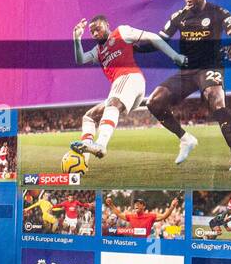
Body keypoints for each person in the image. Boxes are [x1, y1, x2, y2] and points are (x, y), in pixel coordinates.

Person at [145, 0, 231, 171]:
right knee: (154, 102)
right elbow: (160, 40)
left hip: (210, 66)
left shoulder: (219, 12)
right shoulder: (179, 16)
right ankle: (186, 139)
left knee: (215, 99)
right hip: (187, 71)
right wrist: (133, 47)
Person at [71, 14, 187, 158]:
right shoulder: (98, 50)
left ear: (107, 25)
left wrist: (175, 55)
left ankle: (100, 144)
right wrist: (77, 38)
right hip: (123, 88)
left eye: (98, 29)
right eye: (92, 32)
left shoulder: (121, 32)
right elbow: (81, 59)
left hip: (131, 78)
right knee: (89, 117)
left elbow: (152, 37)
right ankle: (84, 158)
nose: (95, 34)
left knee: (112, 103)